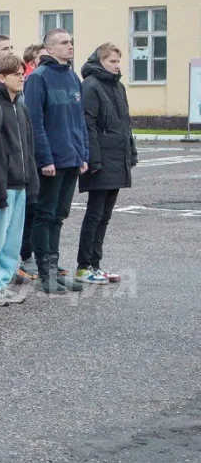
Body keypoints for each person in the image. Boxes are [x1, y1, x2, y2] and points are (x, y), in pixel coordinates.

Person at [24, 29, 89, 295]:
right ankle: (44, 273)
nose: (70, 46)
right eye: (63, 43)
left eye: (71, 42)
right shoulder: (38, 78)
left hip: (72, 158)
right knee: (45, 214)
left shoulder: (73, 77)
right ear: (49, 49)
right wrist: (45, 158)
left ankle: (55, 268)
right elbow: (35, 122)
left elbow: (79, 120)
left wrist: (83, 154)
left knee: (59, 216)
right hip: (52, 161)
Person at [0, 55, 39, 306]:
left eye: (22, 73)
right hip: (2, 186)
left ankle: (1, 282)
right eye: (16, 74)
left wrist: (31, 183)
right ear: (2, 78)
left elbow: (28, 148)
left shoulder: (20, 107)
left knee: (11, 240)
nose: (22, 77)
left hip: (20, 185)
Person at [76, 43, 135, 285]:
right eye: (112, 61)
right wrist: (93, 159)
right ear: (100, 61)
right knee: (94, 213)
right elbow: (87, 125)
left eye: (119, 61)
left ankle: (95, 265)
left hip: (116, 159)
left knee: (105, 215)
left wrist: (130, 153)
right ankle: (83, 266)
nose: (117, 65)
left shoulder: (118, 86)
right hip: (100, 160)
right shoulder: (91, 85)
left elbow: (124, 124)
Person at [17, 43, 48, 280]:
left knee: (38, 210)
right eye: (42, 57)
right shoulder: (31, 82)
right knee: (29, 211)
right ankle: (25, 255)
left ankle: (36, 254)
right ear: (32, 62)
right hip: (31, 158)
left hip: (38, 156)